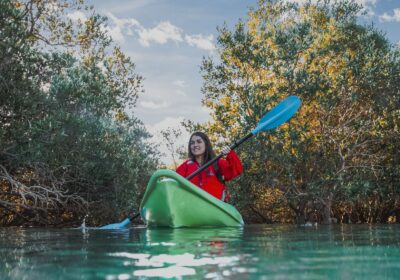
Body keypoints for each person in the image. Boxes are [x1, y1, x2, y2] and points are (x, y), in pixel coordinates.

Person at [176, 131, 243, 202]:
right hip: (193, 207)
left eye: (199, 142)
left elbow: (237, 169)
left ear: (206, 144)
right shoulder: (186, 166)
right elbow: (174, 181)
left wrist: (230, 154)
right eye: (192, 143)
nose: (195, 145)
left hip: (215, 207)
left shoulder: (217, 163)